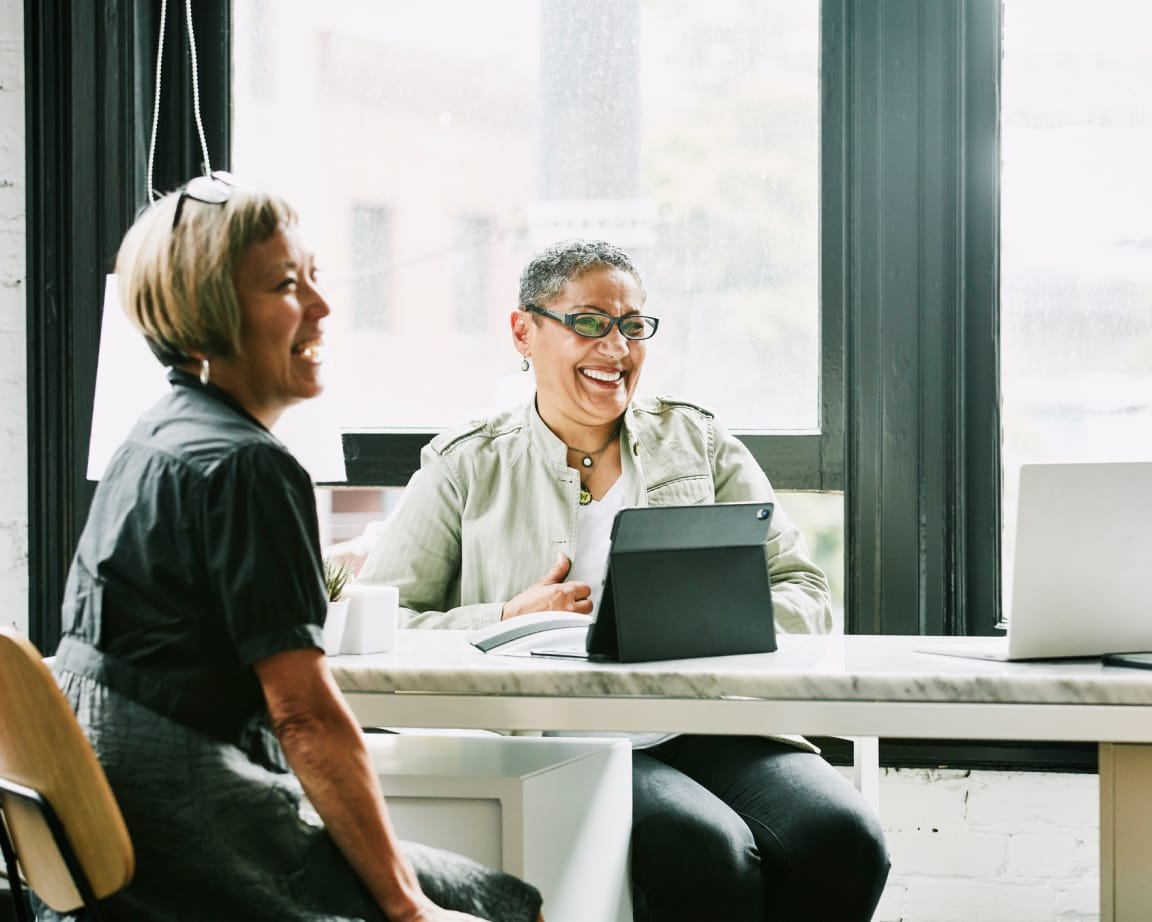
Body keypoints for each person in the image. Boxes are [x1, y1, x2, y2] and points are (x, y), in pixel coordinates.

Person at [41, 173, 544, 922]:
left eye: (315, 276)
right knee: (506, 904)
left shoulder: (149, 438)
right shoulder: (250, 465)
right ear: (208, 314)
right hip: (185, 821)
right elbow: (304, 717)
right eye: (285, 284)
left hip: (107, 824)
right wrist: (408, 907)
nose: (322, 306)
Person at [350, 239, 891, 921]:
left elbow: (803, 591)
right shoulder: (466, 465)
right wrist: (503, 619)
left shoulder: (699, 443)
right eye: (589, 322)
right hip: (561, 736)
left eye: (633, 326)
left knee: (844, 838)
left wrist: (705, 620)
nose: (617, 347)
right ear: (524, 331)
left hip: (708, 723)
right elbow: (386, 621)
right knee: (703, 847)